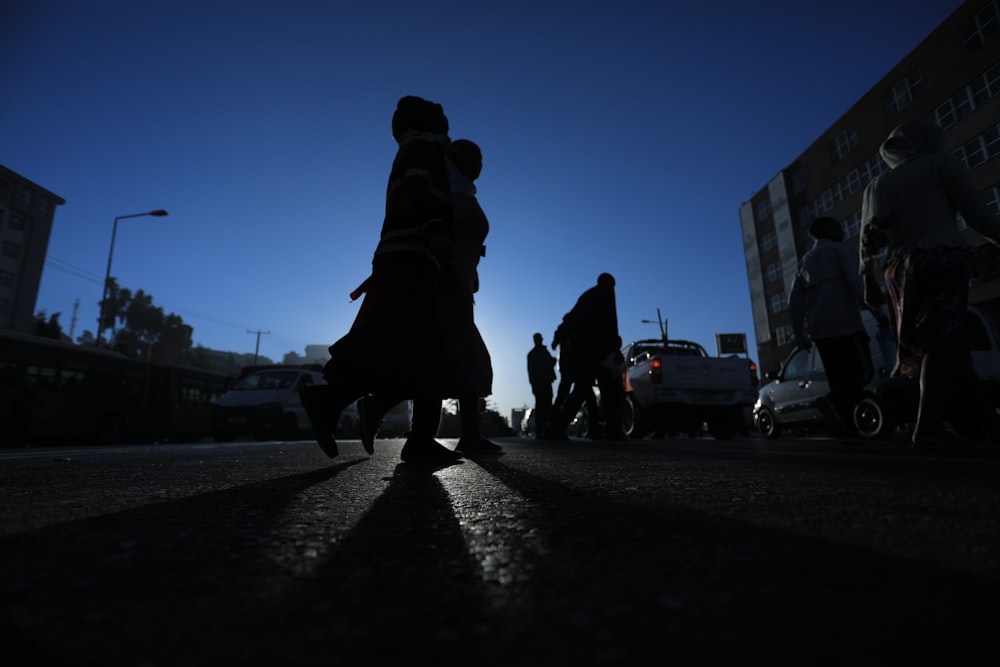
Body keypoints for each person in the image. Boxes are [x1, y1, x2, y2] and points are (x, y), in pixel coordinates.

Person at [300, 95, 463, 465]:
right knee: (418, 344)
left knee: (408, 345)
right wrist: (439, 239)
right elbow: (421, 192)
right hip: (414, 257)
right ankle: (337, 402)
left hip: (402, 257)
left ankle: (411, 433)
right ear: (431, 125)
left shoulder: (412, 149)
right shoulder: (422, 149)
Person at [860, 118, 1000, 448]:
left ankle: (987, 424)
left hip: (896, 271)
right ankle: (927, 428)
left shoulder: (877, 185)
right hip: (940, 258)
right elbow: (976, 215)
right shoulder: (940, 164)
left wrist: (866, 279)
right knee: (940, 343)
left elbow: (867, 240)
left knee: (949, 346)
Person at [357, 139, 500, 455]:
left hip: (459, 284)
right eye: (472, 156)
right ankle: (381, 408)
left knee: (460, 360)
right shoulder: (443, 189)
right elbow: (425, 225)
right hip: (443, 282)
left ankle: (465, 435)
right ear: (452, 157)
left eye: (481, 157)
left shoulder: (462, 192)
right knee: (452, 359)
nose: (478, 164)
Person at [788, 216, 873, 437]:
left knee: (838, 378)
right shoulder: (841, 250)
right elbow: (857, 283)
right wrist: (876, 309)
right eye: (838, 226)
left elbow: (794, 302)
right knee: (862, 373)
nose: (842, 229)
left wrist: (799, 333)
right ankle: (832, 402)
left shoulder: (806, 261)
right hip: (847, 326)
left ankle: (846, 429)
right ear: (826, 230)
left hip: (822, 332)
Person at [542, 273, 627, 441]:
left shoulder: (589, 296)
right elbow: (608, 325)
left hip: (588, 352)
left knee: (586, 390)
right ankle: (609, 429)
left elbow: (571, 320)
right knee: (602, 390)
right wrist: (614, 346)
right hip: (595, 352)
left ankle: (560, 427)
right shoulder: (604, 295)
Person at [527, 332, 556, 436]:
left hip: (545, 381)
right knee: (541, 405)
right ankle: (541, 429)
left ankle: (546, 428)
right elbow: (531, 371)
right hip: (540, 382)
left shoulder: (542, 352)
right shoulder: (534, 354)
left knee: (546, 404)